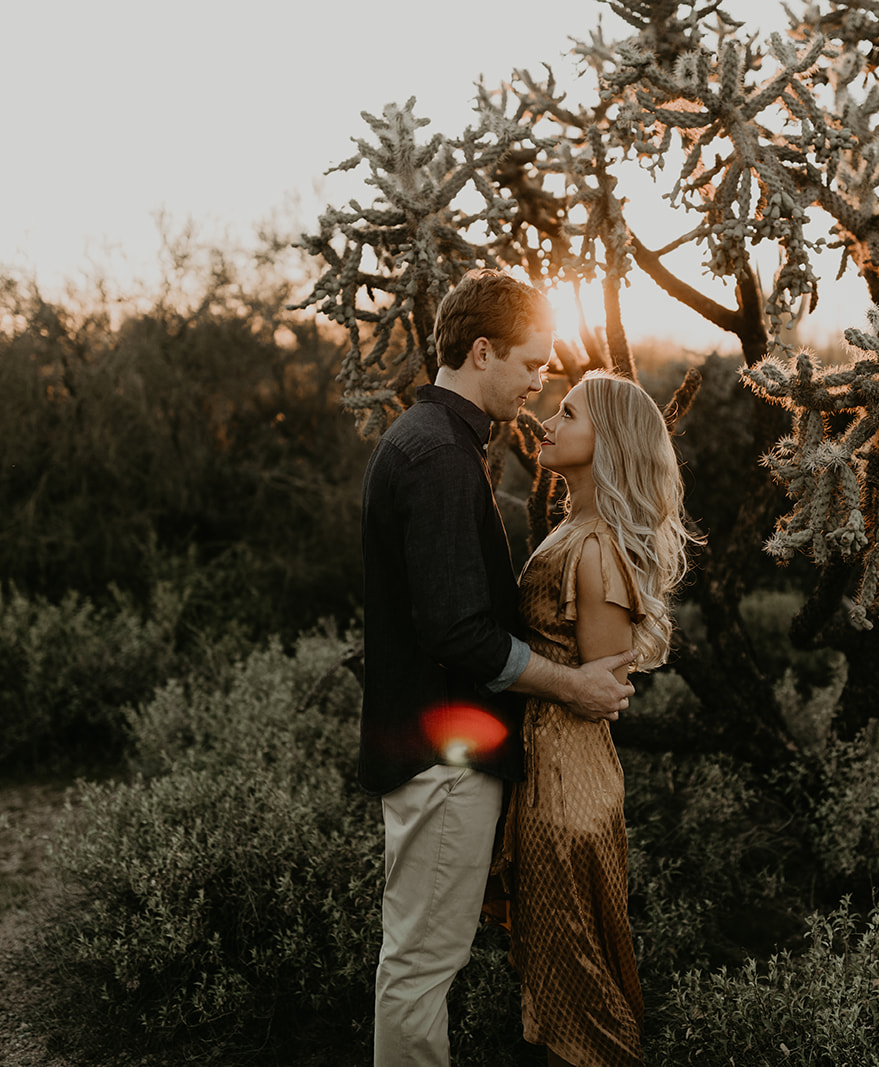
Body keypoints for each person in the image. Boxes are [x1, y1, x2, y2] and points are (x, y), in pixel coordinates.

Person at [359, 268, 636, 1067]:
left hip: (428, 747)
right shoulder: (442, 457)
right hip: (443, 758)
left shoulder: (423, 440)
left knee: (413, 955)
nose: (538, 384)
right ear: (483, 352)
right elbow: (458, 632)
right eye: (530, 365)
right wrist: (571, 684)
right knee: (420, 963)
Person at [491, 370, 696, 1067]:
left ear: (604, 440)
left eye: (568, 412)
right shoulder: (574, 525)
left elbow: (604, 685)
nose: (548, 420)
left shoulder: (598, 545)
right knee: (562, 977)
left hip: (567, 789)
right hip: (547, 771)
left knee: (582, 992)